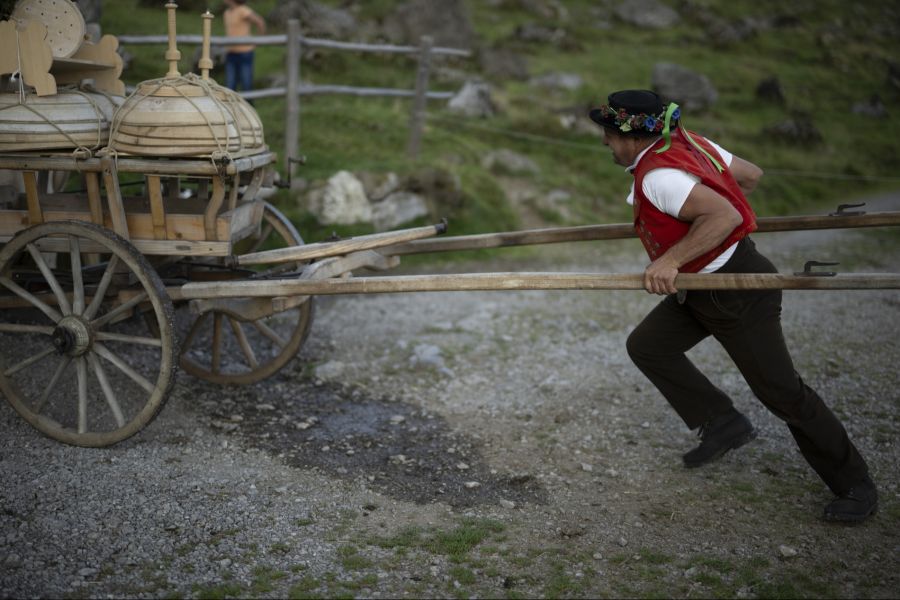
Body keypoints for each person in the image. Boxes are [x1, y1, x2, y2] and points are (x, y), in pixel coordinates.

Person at [589, 89, 877, 522]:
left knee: (784, 395)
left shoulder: (658, 176)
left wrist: (670, 259)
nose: (605, 142)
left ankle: (855, 484)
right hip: (701, 287)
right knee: (648, 346)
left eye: (608, 134)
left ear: (630, 137)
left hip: (736, 290)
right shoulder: (692, 143)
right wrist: (703, 191)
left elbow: (724, 216)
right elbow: (750, 175)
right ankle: (722, 421)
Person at [223, 0, 266, 93]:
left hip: (244, 53)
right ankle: (231, 106)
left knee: (246, 84)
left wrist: (258, 40)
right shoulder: (227, 13)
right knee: (230, 84)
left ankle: (249, 105)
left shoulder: (243, 10)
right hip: (231, 53)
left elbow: (260, 22)